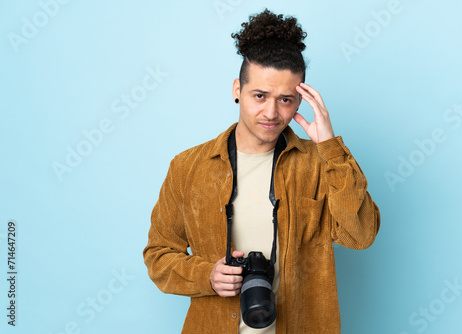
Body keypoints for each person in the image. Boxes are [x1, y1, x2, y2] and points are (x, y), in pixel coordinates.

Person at [143, 8, 380, 334]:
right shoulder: (188, 168)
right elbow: (158, 255)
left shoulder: (320, 165)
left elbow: (361, 235)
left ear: (300, 102)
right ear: (237, 90)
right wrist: (207, 276)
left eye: (285, 99)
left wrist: (331, 149)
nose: (271, 112)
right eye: (259, 95)